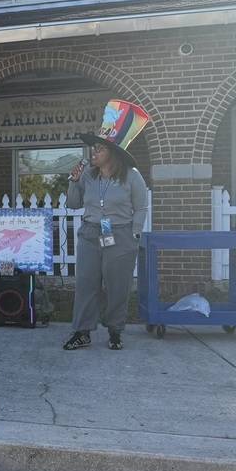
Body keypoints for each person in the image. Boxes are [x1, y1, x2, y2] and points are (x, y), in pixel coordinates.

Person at [64, 99, 150, 351]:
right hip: (90, 234)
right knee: (86, 284)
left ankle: (115, 331)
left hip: (120, 235)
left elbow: (141, 208)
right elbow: (73, 203)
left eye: (99, 149)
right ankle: (82, 332)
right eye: (94, 149)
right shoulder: (88, 176)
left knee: (117, 286)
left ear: (113, 153)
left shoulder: (132, 177)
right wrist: (73, 181)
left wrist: (135, 235)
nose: (93, 153)